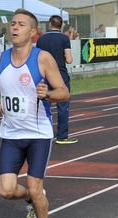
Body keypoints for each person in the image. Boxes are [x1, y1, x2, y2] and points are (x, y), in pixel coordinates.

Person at [0, 9, 70, 218]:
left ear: (33, 32)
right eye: (13, 24)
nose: (14, 28)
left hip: (38, 135)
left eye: (21, 25)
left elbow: (64, 92)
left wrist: (49, 94)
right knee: (6, 190)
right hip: (10, 135)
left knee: (36, 187)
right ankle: (29, 201)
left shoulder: (42, 58)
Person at [37, 15, 78, 144]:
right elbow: (69, 59)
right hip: (60, 74)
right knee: (63, 104)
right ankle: (62, 136)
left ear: (50, 24)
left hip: (43, 74)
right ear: (61, 26)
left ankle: (43, 133)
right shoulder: (64, 38)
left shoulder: (41, 39)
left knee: (44, 104)